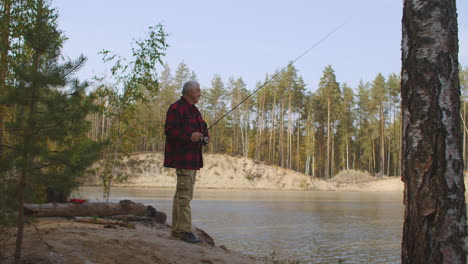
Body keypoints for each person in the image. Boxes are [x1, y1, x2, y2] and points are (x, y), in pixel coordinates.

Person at [163, 80, 209, 244]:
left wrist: (203, 138)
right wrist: (190, 136)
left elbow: (204, 128)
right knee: (184, 196)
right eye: (198, 90)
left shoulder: (195, 111)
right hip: (183, 159)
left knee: (182, 195)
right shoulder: (176, 108)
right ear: (190, 91)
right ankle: (183, 231)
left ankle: (177, 230)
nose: (200, 93)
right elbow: (170, 131)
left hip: (193, 160)